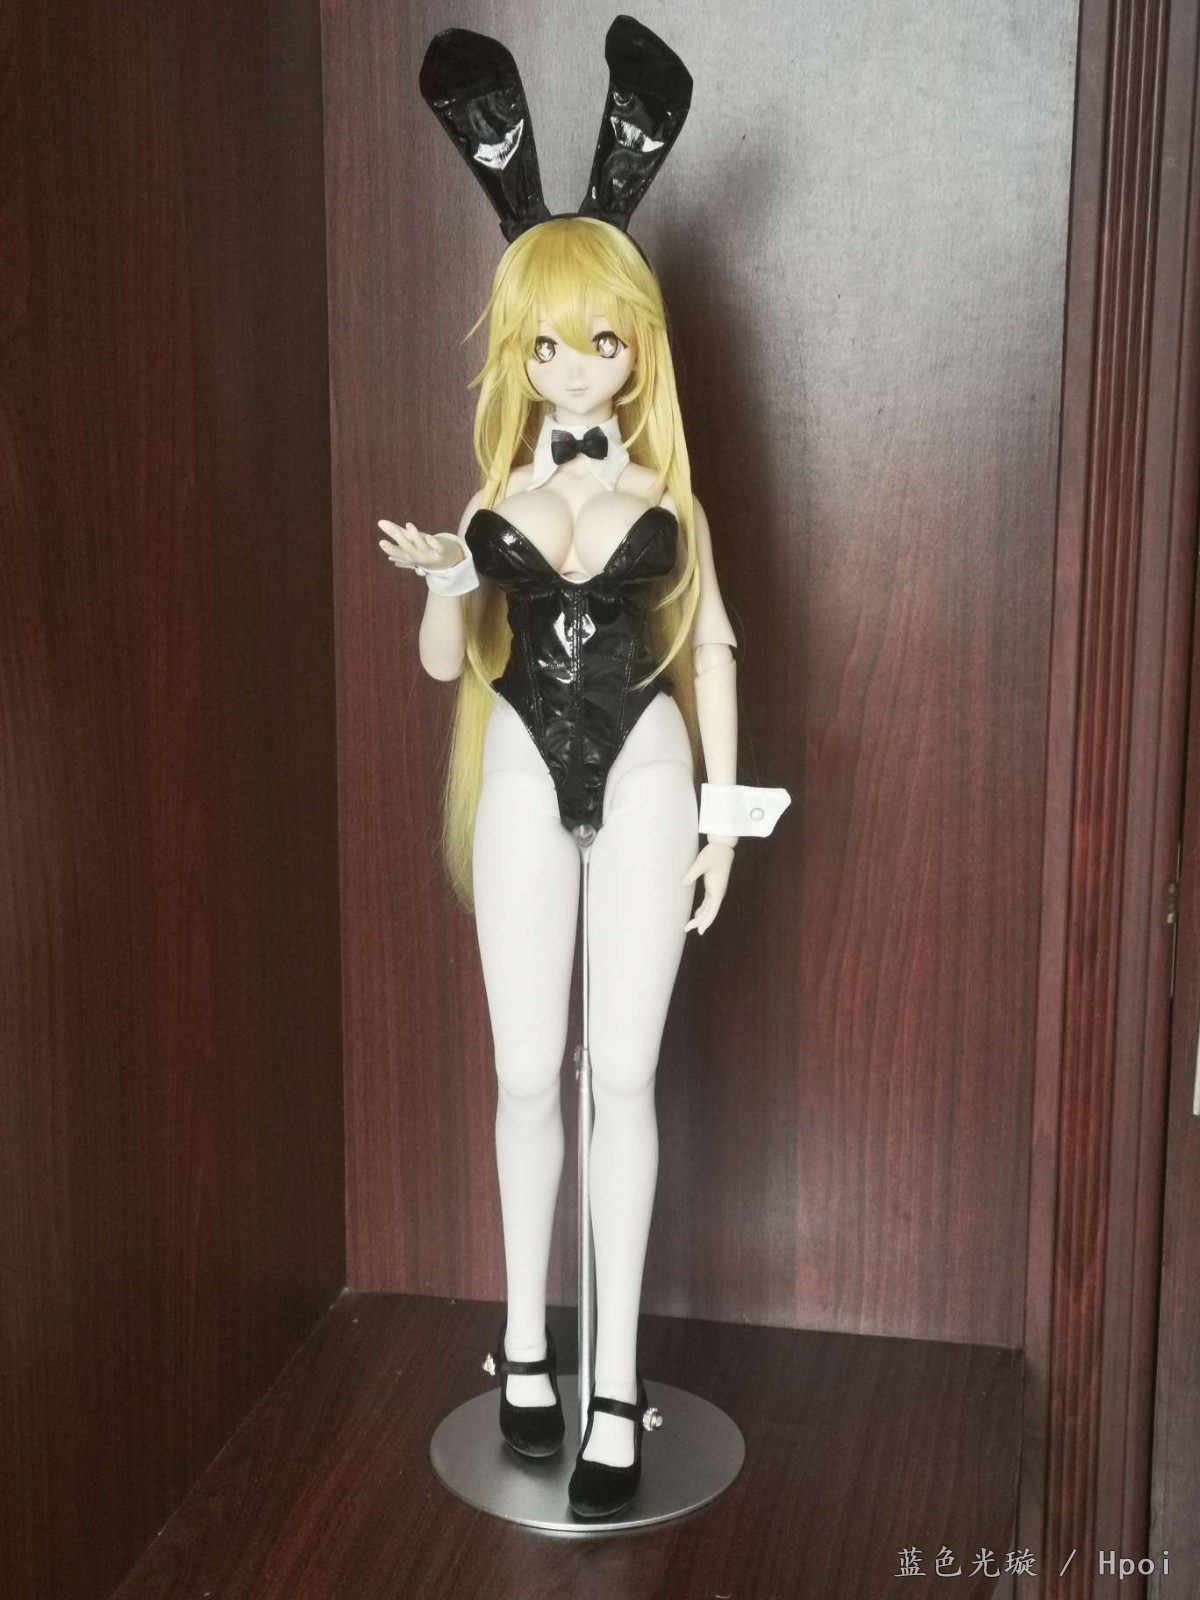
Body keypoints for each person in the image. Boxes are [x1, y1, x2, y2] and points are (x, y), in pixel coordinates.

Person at [379, 21, 788, 1521]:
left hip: (653, 770)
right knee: (519, 1073)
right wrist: (446, 580)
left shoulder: (666, 488)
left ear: (636, 346)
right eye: (547, 340)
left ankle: (616, 1383)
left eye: (600, 338)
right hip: (516, 776)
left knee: (623, 1076)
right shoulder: (496, 486)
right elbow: (447, 666)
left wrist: (725, 827)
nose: (572, 363)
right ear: (519, 348)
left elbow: (715, 646)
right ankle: (526, 1349)